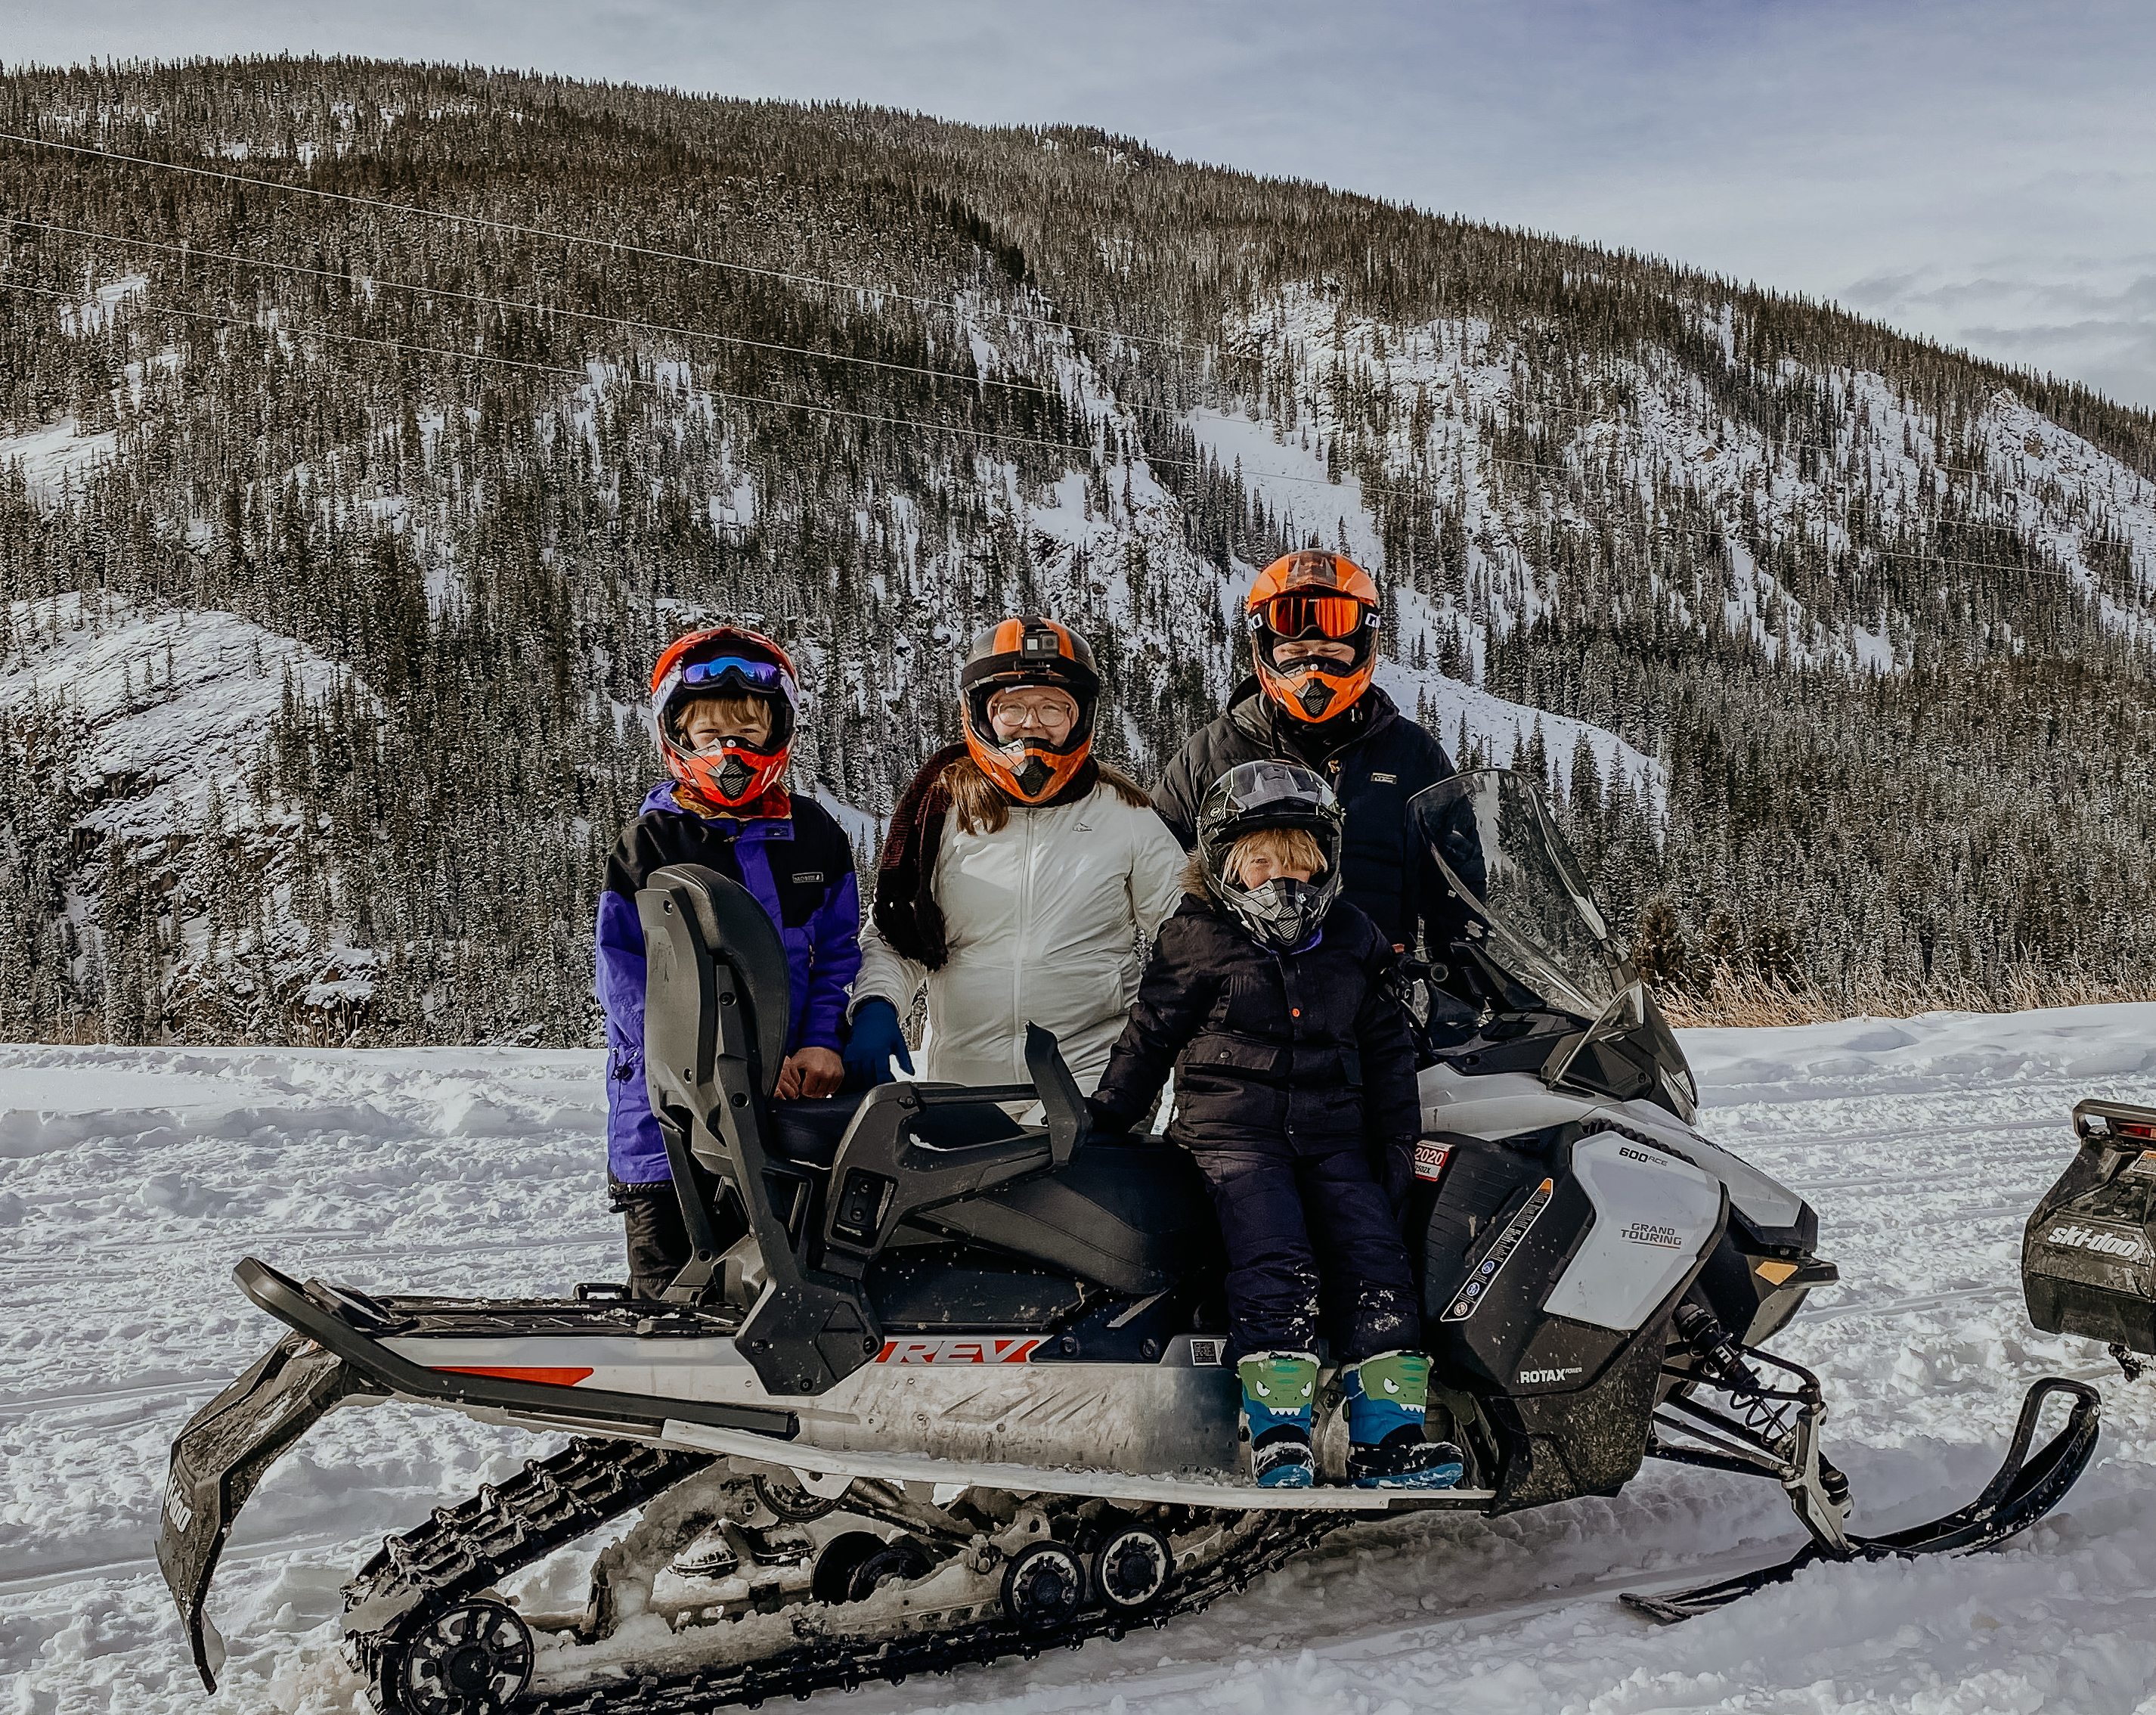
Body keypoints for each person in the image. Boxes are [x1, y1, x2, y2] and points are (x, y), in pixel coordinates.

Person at [1084, 760, 1464, 1491]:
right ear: (1225, 865)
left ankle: (1389, 1440)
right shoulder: (1196, 935)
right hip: (1231, 1138)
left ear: (1325, 864)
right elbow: (1151, 1035)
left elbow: (1387, 1052)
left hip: (1335, 1137)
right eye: (1260, 863)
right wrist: (1107, 1119)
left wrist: (1397, 1143)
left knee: (1379, 1264)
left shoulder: (1352, 936)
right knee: (1275, 1260)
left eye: (1297, 863)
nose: (1280, 881)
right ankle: (1279, 1433)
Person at [596, 626, 861, 1300]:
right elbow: (627, 982)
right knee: (673, 1296)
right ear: (677, 735)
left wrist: (822, 1043)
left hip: (791, 1106)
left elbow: (837, 955)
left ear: (779, 732)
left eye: (747, 731)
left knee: (785, 1288)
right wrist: (729, 1069)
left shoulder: (815, 836)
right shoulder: (650, 843)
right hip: (671, 1119)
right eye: (711, 733)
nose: (730, 751)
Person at [845, 616, 1185, 1094]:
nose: (1032, 725)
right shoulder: (941, 813)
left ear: (1079, 718)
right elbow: (898, 933)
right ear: (982, 715)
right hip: (964, 1082)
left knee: (1079, 1148)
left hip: (1092, 1075)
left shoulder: (1125, 814)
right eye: (1012, 708)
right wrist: (876, 1006)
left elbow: (1187, 933)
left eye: (1052, 708)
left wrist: (1161, 1034)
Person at [1152, 550, 1454, 954]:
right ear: (1266, 648)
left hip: (1378, 980)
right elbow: (1157, 873)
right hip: (1246, 982)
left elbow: (1457, 886)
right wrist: (1196, 965)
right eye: (1295, 653)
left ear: (1363, 645)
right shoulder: (1210, 754)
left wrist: (1456, 979)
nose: (1313, 667)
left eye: (1331, 652)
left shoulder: (1414, 756)